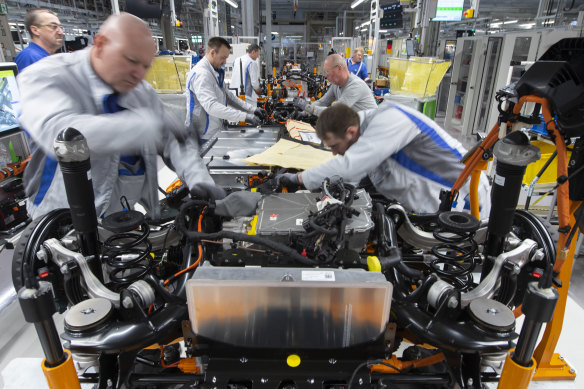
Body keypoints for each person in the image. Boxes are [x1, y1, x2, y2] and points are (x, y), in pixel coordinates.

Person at [18, 12, 223, 220]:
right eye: (131, 61)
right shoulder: (46, 76)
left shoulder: (141, 91)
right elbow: (61, 136)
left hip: (122, 218)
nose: (139, 74)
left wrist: (199, 181)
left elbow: (174, 142)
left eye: (145, 66)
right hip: (63, 222)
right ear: (100, 44)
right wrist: (149, 128)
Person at [278, 103, 491, 217]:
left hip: (465, 202)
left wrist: (298, 179)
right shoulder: (366, 136)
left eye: (334, 146)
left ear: (351, 132)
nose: (333, 153)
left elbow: (349, 167)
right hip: (429, 208)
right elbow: (355, 178)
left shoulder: (391, 119)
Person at [185, 37, 265, 142]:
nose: (225, 62)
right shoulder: (202, 74)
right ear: (212, 52)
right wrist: (245, 116)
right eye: (223, 57)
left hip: (214, 131)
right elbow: (212, 106)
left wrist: (252, 109)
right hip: (201, 136)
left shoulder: (215, 71)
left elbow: (229, 97)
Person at [292, 54, 376, 117]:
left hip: (370, 129)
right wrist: (304, 113)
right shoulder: (336, 84)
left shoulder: (355, 86)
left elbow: (335, 111)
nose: (325, 76)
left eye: (327, 71)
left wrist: (307, 107)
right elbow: (323, 102)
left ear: (339, 68)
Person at [229, 43, 262, 108]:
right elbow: (254, 83)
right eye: (258, 54)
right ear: (253, 52)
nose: (258, 57)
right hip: (246, 97)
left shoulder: (237, 60)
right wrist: (260, 92)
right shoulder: (252, 63)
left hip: (233, 94)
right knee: (250, 116)